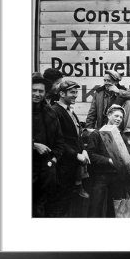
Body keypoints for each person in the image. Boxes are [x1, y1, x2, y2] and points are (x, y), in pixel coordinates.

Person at [86, 104, 130, 217]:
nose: (118, 119)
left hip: (117, 177)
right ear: (109, 115)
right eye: (116, 116)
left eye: (121, 117)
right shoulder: (96, 133)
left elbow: (127, 157)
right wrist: (108, 160)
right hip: (100, 176)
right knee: (96, 207)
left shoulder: (122, 137)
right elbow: (90, 155)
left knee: (115, 209)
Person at [51, 80, 90, 217]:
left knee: (68, 204)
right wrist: (75, 155)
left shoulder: (70, 112)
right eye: (72, 92)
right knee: (60, 204)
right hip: (63, 167)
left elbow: (76, 136)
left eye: (76, 92)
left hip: (73, 167)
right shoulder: (55, 111)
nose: (75, 95)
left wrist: (83, 150)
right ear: (61, 93)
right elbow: (58, 140)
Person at [32, 72, 64, 217]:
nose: (37, 94)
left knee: (44, 205)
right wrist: (33, 145)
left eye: (40, 91)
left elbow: (59, 141)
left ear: (45, 93)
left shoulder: (50, 113)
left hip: (46, 168)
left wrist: (54, 159)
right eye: (34, 90)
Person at [85, 69, 130, 144]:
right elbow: (92, 113)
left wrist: (119, 91)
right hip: (103, 126)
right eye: (104, 80)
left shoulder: (123, 90)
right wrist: (88, 130)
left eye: (108, 80)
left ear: (116, 82)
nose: (106, 83)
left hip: (119, 126)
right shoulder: (98, 93)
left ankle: (127, 135)